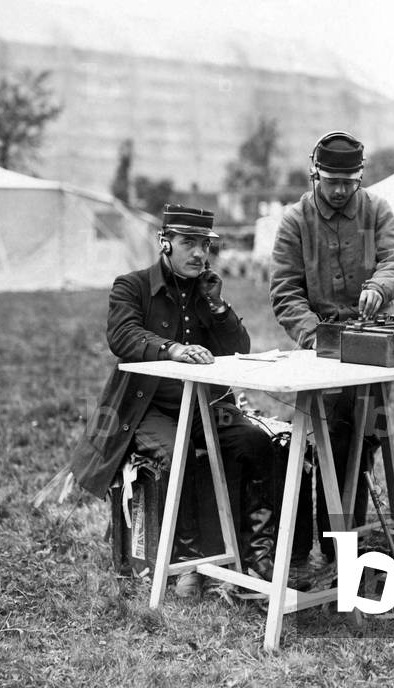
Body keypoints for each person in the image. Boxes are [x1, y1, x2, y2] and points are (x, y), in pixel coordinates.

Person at [69, 204, 277, 597]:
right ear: (165, 243)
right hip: (147, 408)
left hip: (204, 406)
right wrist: (171, 349)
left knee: (256, 443)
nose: (199, 254)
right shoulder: (131, 286)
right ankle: (189, 563)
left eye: (204, 245)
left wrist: (217, 306)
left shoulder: (206, 292)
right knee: (179, 455)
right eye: (188, 243)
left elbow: (238, 348)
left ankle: (257, 558)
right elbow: (123, 336)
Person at [270, 131, 394, 569]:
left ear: (359, 178)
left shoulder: (376, 209)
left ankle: (340, 545)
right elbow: (285, 291)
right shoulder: (295, 220)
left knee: (365, 438)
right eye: (331, 181)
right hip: (321, 347)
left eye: (347, 182)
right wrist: (314, 335)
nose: (338, 190)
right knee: (331, 439)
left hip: (371, 341)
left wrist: (379, 287)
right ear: (316, 173)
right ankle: (330, 548)